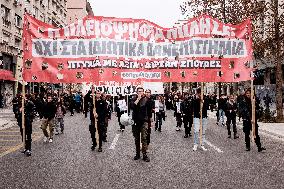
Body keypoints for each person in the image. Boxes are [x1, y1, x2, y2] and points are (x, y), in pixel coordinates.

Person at [130, 87, 153, 162]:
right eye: (139, 91)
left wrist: (150, 119)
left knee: (144, 138)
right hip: (136, 122)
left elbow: (149, 111)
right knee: (137, 139)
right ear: (137, 92)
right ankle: (137, 154)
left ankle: (144, 155)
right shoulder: (134, 99)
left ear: (143, 92)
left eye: (141, 91)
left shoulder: (146, 100)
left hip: (144, 122)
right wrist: (138, 99)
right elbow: (132, 107)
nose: (140, 92)